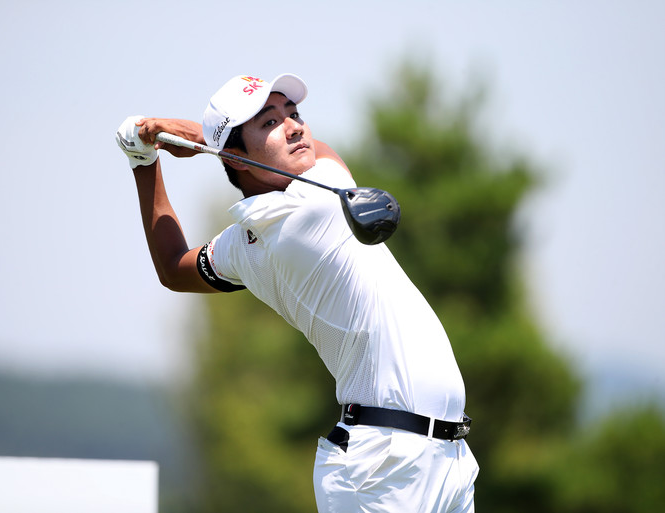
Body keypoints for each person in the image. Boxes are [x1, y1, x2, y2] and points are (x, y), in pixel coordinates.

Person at [116, 73, 479, 512]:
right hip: (383, 467)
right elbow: (324, 152)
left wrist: (143, 161)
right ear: (236, 158)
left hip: (440, 457)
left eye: (294, 113)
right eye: (270, 122)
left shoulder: (245, 243)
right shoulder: (310, 207)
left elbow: (174, 268)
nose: (295, 128)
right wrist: (199, 137)